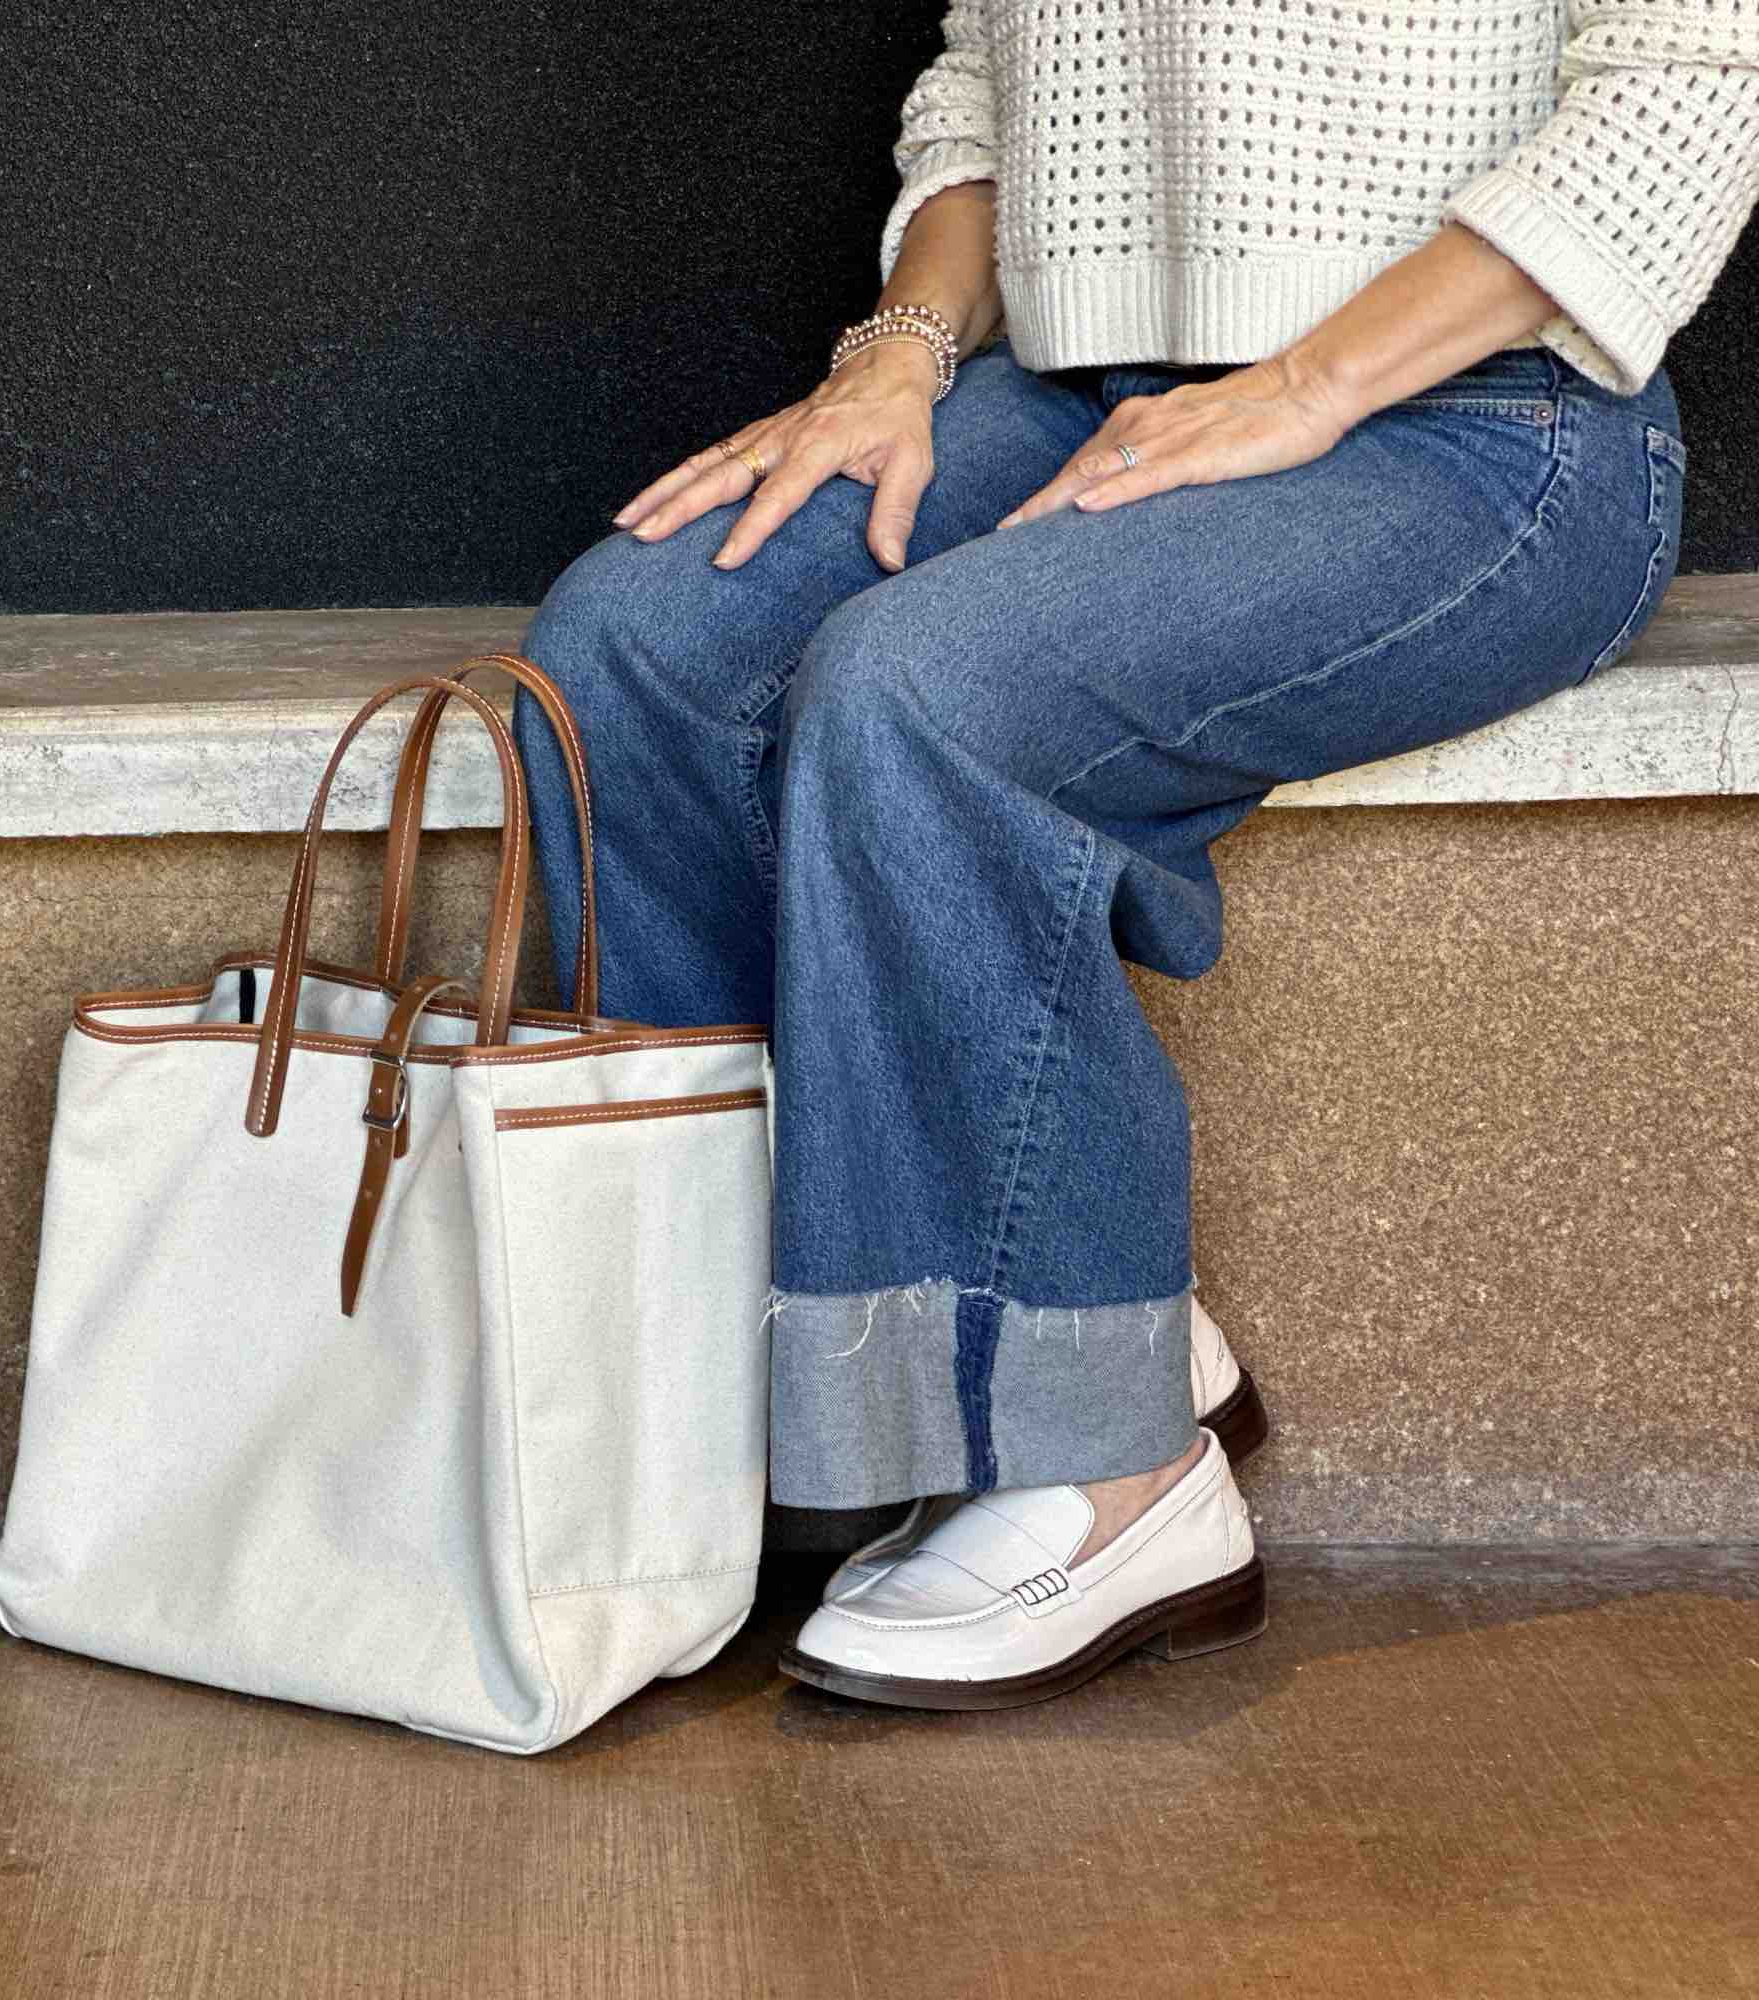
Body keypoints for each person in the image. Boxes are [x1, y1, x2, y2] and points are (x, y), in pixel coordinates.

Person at [510, 2, 1759, 1710]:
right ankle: (809, 1383)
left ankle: (1114, 1464)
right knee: (635, 651)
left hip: (1493, 424)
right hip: (1081, 392)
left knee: (926, 690)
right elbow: (990, 75)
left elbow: (1694, 90)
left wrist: (1308, 383)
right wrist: (901, 353)